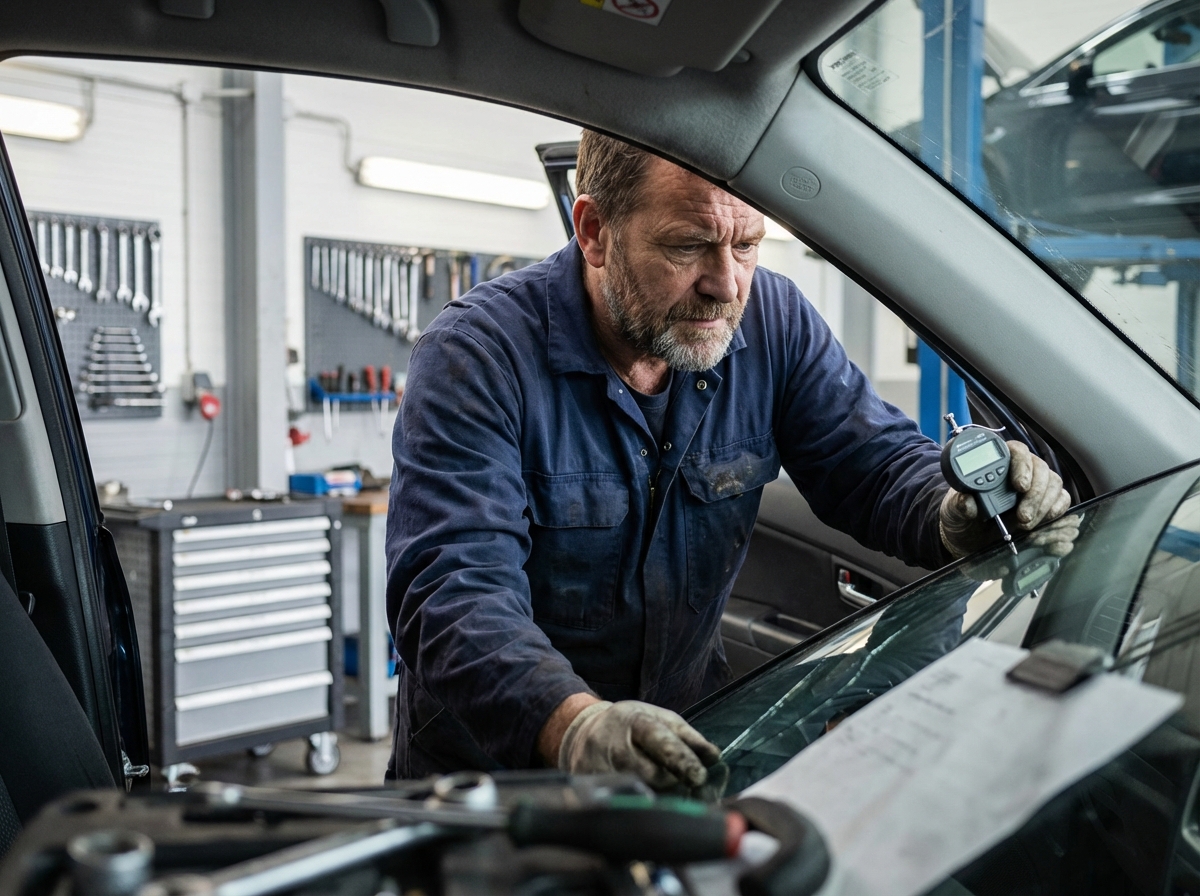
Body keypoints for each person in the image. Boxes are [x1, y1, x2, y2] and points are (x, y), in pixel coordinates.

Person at [383, 130, 1071, 789]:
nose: (726, 284)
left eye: (747, 244)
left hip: (688, 750)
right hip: (498, 788)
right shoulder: (477, 356)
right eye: (689, 246)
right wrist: (572, 723)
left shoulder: (773, 320)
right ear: (593, 232)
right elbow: (451, 588)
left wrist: (955, 511)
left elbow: (872, 461)